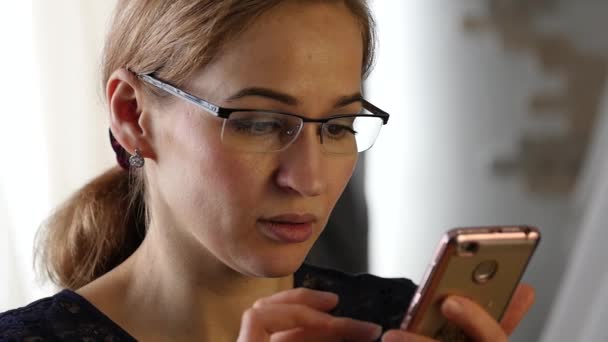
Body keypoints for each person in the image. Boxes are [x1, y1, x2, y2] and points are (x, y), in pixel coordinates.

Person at [0, 1, 535, 341]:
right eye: (259, 122)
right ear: (132, 115)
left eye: (338, 126)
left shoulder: (394, 321)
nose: (307, 179)